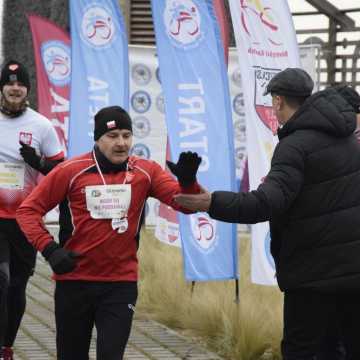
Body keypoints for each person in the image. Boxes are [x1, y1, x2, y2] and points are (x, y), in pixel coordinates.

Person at [174, 68, 360, 360]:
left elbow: (264, 204)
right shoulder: (349, 140)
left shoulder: (295, 145)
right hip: (352, 274)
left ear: (277, 102)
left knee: (302, 351)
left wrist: (210, 202)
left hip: (312, 277)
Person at [16, 105, 202, 360]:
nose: (121, 143)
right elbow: (27, 211)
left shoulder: (145, 172)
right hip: (74, 282)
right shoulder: (71, 170)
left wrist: (188, 183)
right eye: (112, 136)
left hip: (119, 284)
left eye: (126, 135)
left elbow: (186, 205)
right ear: (98, 139)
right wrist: (50, 250)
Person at [0, 60, 64, 360]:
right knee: (0, 279)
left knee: (16, 286)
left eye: (20, 84)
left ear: (26, 89)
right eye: (9, 83)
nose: (15, 88)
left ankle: (7, 344)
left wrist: (38, 162)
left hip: (25, 218)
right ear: (2, 88)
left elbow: (61, 172)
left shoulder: (41, 125)